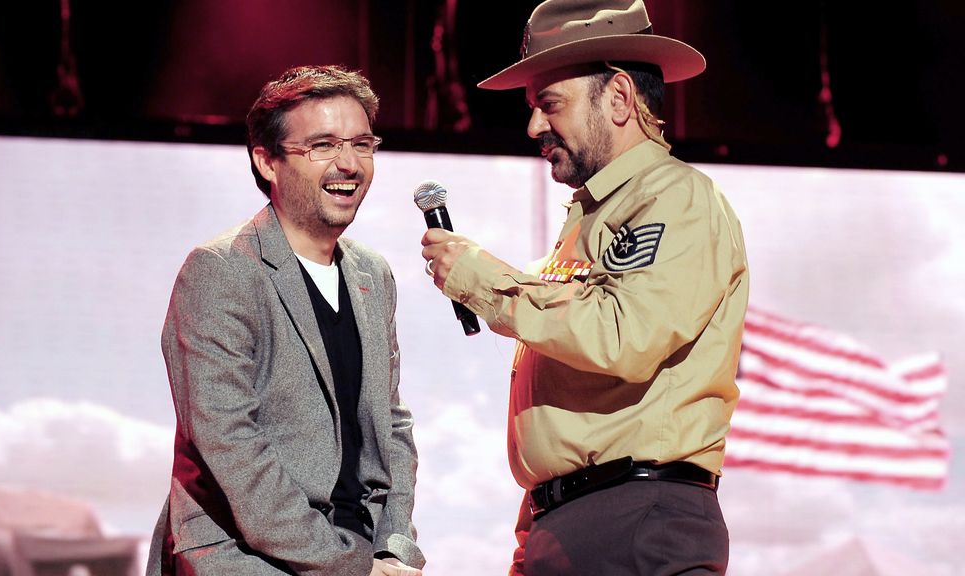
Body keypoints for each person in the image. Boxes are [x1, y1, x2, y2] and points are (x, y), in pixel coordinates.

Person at [420, 1, 749, 574]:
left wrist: (484, 281)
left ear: (619, 98)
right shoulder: (593, 215)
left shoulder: (674, 197)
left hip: (636, 520)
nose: (533, 127)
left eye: (550, 104)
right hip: (570, 523)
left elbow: (624, 335)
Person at [146, 65, 425, 576]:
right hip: (244, 557)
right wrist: (352, 566)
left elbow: (391, 425)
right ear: (267, 161)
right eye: (323, 146)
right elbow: (232, 445)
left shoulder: (372, 273)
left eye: (362, 144)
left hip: (360, 550)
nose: (349, 164)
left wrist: (394, 547)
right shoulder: (222, 270)